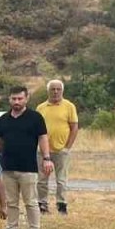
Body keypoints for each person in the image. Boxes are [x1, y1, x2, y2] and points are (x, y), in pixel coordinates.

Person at [0, 86, 53, 229]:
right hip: (8, 168)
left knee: (31, 202)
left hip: (28, 168)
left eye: (20, 98)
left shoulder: (35, 117)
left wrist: (47, 158)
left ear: (26, 99)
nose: (17, 102)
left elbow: (43, 138)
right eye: (14, 99)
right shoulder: (4, 119)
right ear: (9, 99)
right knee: (11, 202)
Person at [36, 79, 79, 215]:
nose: (55, 92)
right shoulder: (41, 108)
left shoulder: (69, 106)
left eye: (58, 89)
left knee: (61, 180)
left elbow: (74, 127)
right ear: (48, 91)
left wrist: (68, 147)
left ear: (62, 91)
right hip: (43, 151)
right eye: (52, 89)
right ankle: (42, 204)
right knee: (42, 180)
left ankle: (61, 204)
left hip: (61, 150)